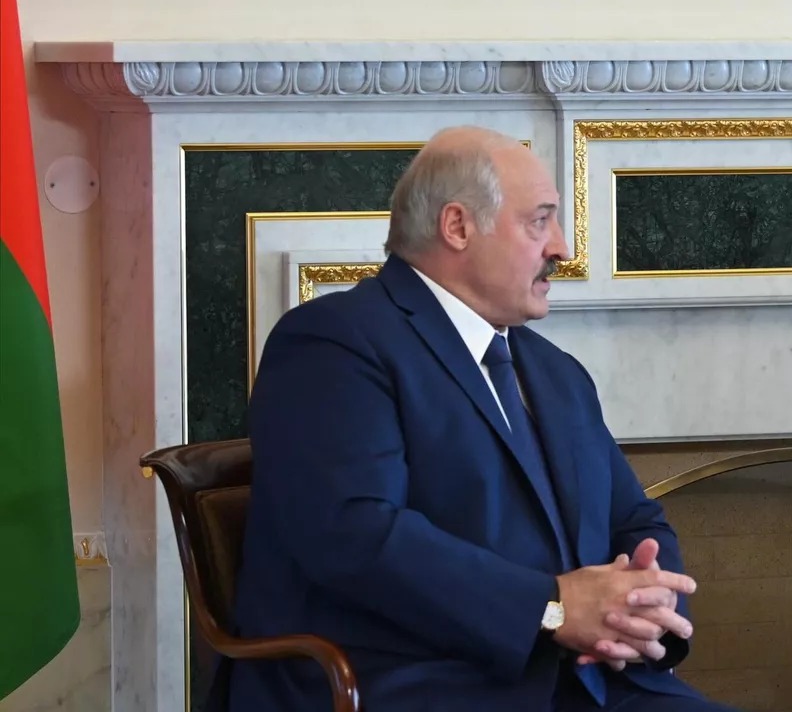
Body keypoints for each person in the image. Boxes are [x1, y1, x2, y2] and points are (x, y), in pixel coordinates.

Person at [229, 126, 735, 711]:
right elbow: (357, 535)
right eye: (539, 221)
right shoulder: (335, 342)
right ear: (457, 226)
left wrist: (645, 612)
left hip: (592, 679)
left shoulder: (555, 370)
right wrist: (552, 609)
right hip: (423, 686)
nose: (562, 248)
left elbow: (634, 517)